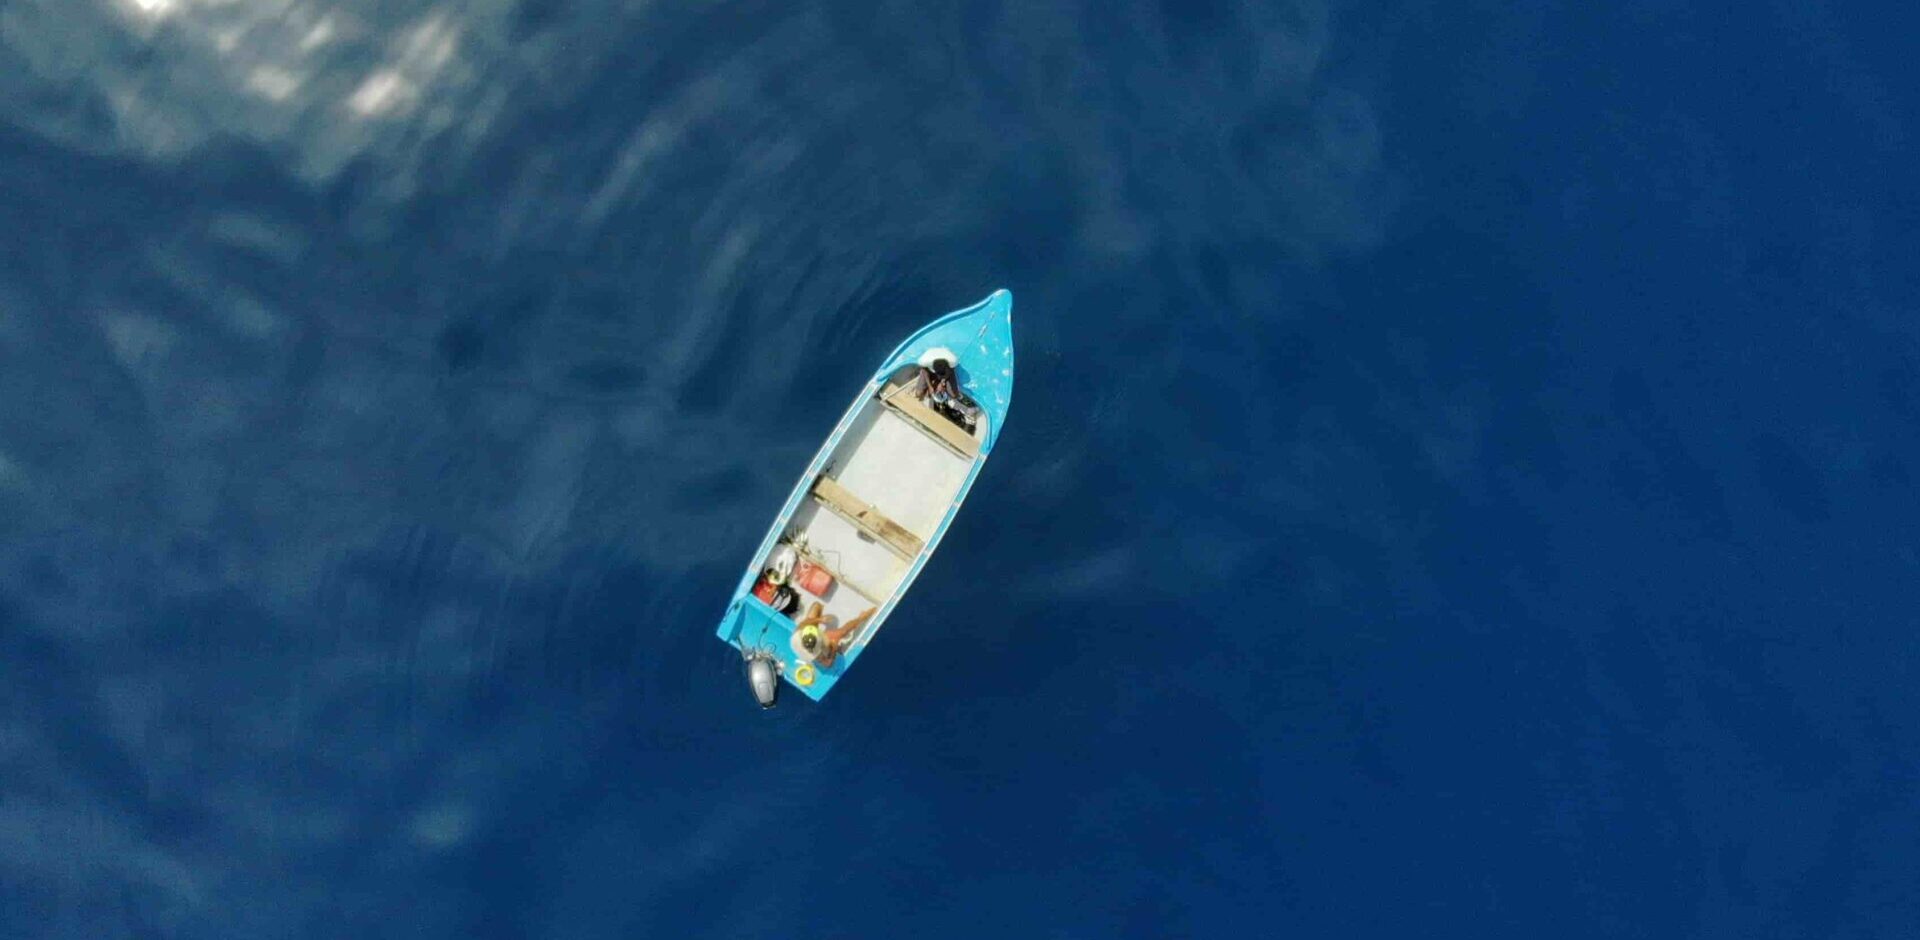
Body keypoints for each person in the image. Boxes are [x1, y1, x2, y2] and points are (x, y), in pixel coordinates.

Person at [791, 602, 876, 668]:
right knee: (842, 632)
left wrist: (820, 619)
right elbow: (828, 664)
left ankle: (834, 644)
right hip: (821, 650)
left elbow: (805, 623)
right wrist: (834, 647)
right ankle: (861, 617)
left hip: (810, 641)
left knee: (817, 606)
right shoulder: (816, 655)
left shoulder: (798, 634)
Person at [918, 358, 980, 431]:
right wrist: (930, 386)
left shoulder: (951, 362)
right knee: (919, 393)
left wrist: (942, 382)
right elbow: (924, 371)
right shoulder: (926, 361)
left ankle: (966, 406)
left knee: (954, 395)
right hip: (932, 371)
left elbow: (949, 371)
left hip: (946, 373)